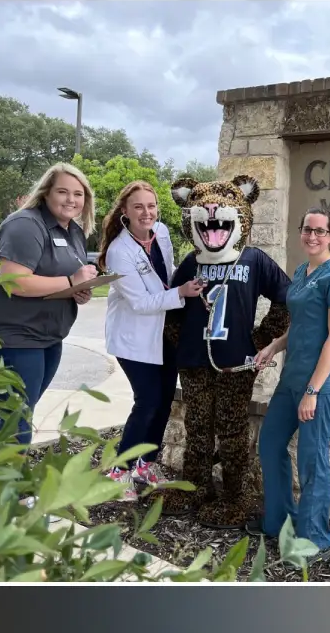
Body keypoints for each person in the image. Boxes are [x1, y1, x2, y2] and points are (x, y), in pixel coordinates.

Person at [247, 207, 330, 561]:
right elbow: (300, 325)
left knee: (312, 458)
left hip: (319, 383)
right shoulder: (302, 271)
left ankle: (316, 539)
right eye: (307, 229)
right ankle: (279, 521)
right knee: (271, 443)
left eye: (320, 231)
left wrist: (313, 391)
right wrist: (273, 346)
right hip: (292, 376)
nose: (312, 236)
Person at [97, 181, 204, 499]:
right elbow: (141, 303)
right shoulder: (119, 251)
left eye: (151, 205)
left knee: (164, 399)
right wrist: (180, 293)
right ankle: (118, 469)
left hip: (162, 334)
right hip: (133, 338)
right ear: (125, 213)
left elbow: (166, 272)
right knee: (147, 401)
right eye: (138, 207)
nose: (147, 212)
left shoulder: (162, 232)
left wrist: (183, 287)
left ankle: (145, 463)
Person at [0, 162, 99, 446]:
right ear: (46, 193)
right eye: (63, 192)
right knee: (17, 421)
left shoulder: (73, 231)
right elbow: (16, 281)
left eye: (79, 194)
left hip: (49, 338)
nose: (71, 200)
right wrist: (72, 281)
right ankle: (5, 488)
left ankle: (2, 483)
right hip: (16, 339)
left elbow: (63, 279)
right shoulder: (25, 225)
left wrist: (79, 290)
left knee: (20, 416)